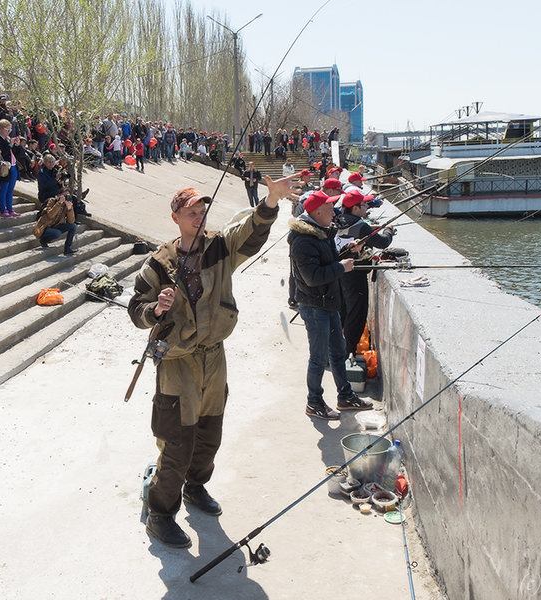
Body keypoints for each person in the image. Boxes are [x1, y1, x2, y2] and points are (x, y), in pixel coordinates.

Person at [127, 176, 299, 549]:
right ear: (176, 217)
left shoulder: (219, 248)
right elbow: (135, 309)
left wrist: (270, 200)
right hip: (177, 361)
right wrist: (156, 310)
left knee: (210, 432)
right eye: (192, 211)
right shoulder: (159, 263)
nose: (199, 216)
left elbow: (250, 235)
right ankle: (160, 513)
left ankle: (196, 487)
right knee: (177, 441)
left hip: (214, 356)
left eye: (202, 210)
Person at [288, 190, 374, 421]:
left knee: (339, 352)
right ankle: (313, 402)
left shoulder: (321, 232)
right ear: (316, 212)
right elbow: (312, 277)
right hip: (315, 307)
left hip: (329, 303)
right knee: (318, 358)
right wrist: (342, 268)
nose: (333, 212)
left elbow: (329, 261)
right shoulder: (303, 240)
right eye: (328, 209)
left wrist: (348, 251)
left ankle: (345, 396)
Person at [335, 190, 394, 355]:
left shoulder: (337, 221)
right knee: (357, 315)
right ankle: (348, 352)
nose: (367, 206)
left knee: (342, 312)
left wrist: (371, 228)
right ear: (355, 208)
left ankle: (334, 349)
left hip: (339, 273)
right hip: (356, 275)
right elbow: (382, 242)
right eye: (364, 204)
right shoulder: (361, 226)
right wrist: (389, 230)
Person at [0, 118, 20, 217]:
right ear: (1, 129)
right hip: (4, 167)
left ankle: (10, 208)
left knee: (10, 189)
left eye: (10, 130)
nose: (9, 132)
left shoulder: (7, 139)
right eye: (7, 130)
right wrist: (10, 145)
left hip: (12, 166)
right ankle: (2, 210)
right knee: (3, 189)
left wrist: (16, 145)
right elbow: (2, 152)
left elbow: (15, 153)